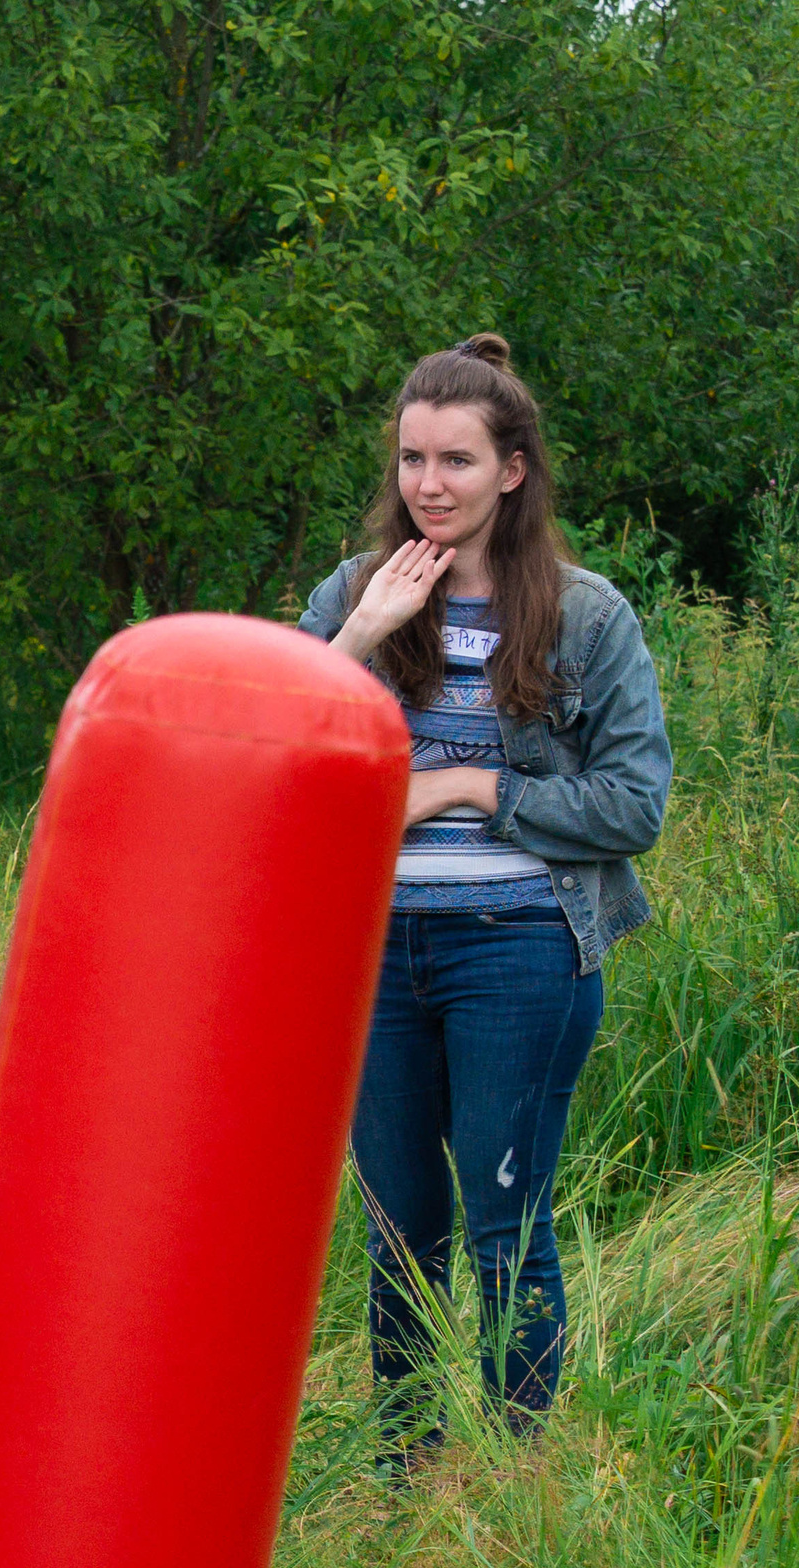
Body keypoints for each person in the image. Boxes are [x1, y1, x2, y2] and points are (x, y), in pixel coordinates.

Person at [299, 334, 671, 1466]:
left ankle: (517, 1481)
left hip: (520, 949)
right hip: (372, 953)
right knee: (399, 1233)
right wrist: (360, 637)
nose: (428, 484)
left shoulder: (586, 615)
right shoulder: (352, 595)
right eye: (411, 458)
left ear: (511, 470)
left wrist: (471, 786)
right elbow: (276, 756)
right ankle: (403, 1477)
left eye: (455, 460)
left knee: (506, 1226)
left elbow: (633, 805)